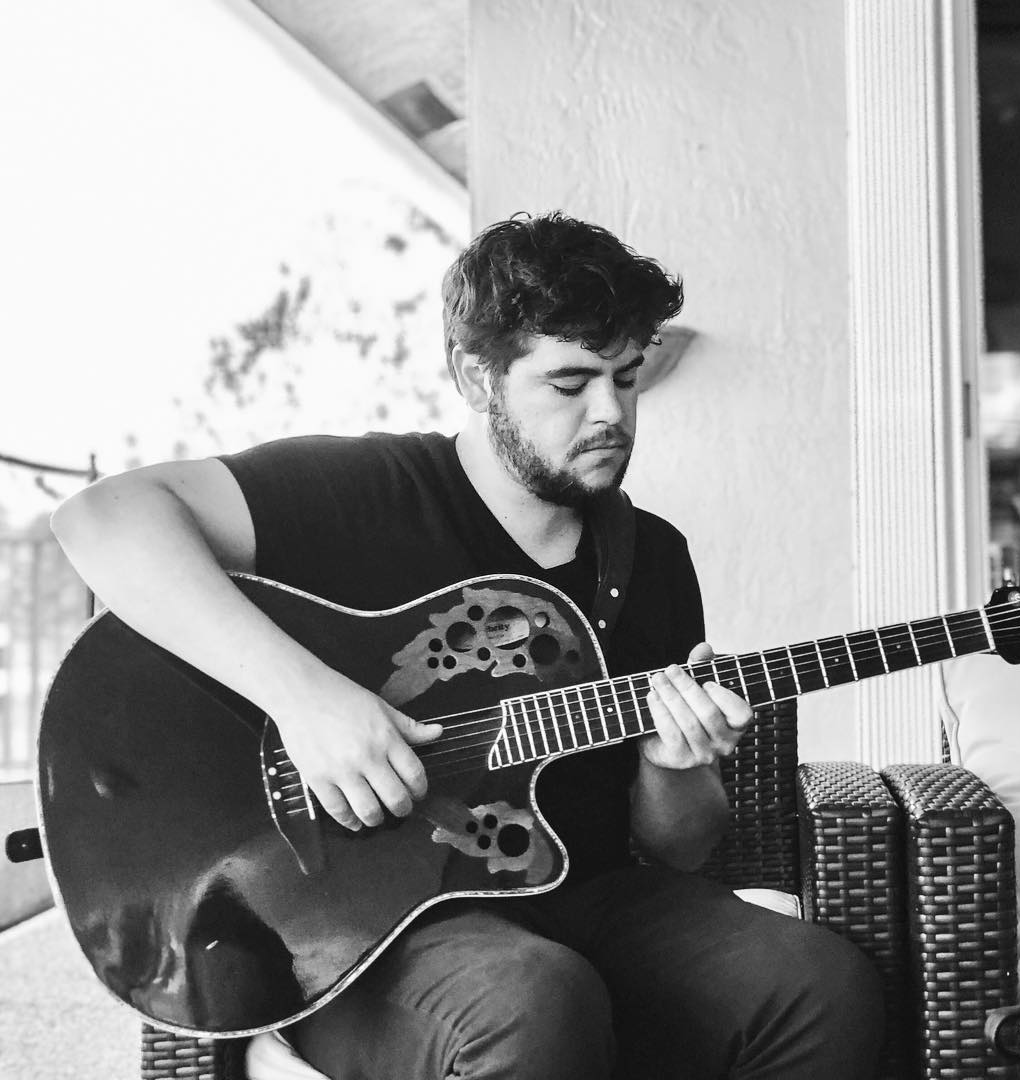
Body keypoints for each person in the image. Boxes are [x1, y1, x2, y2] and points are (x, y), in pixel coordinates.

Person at [52, 211, 884, 1079]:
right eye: (570, 383)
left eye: (627, 377)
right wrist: (304, 699)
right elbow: (101, 518)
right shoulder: (362, 493)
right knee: (533, 1000)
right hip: (366, 929)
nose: (611, 413)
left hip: (588, 897)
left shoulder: (653, 559)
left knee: (821, 985)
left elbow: (681, 848)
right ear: (476, 377)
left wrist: (675, 766)